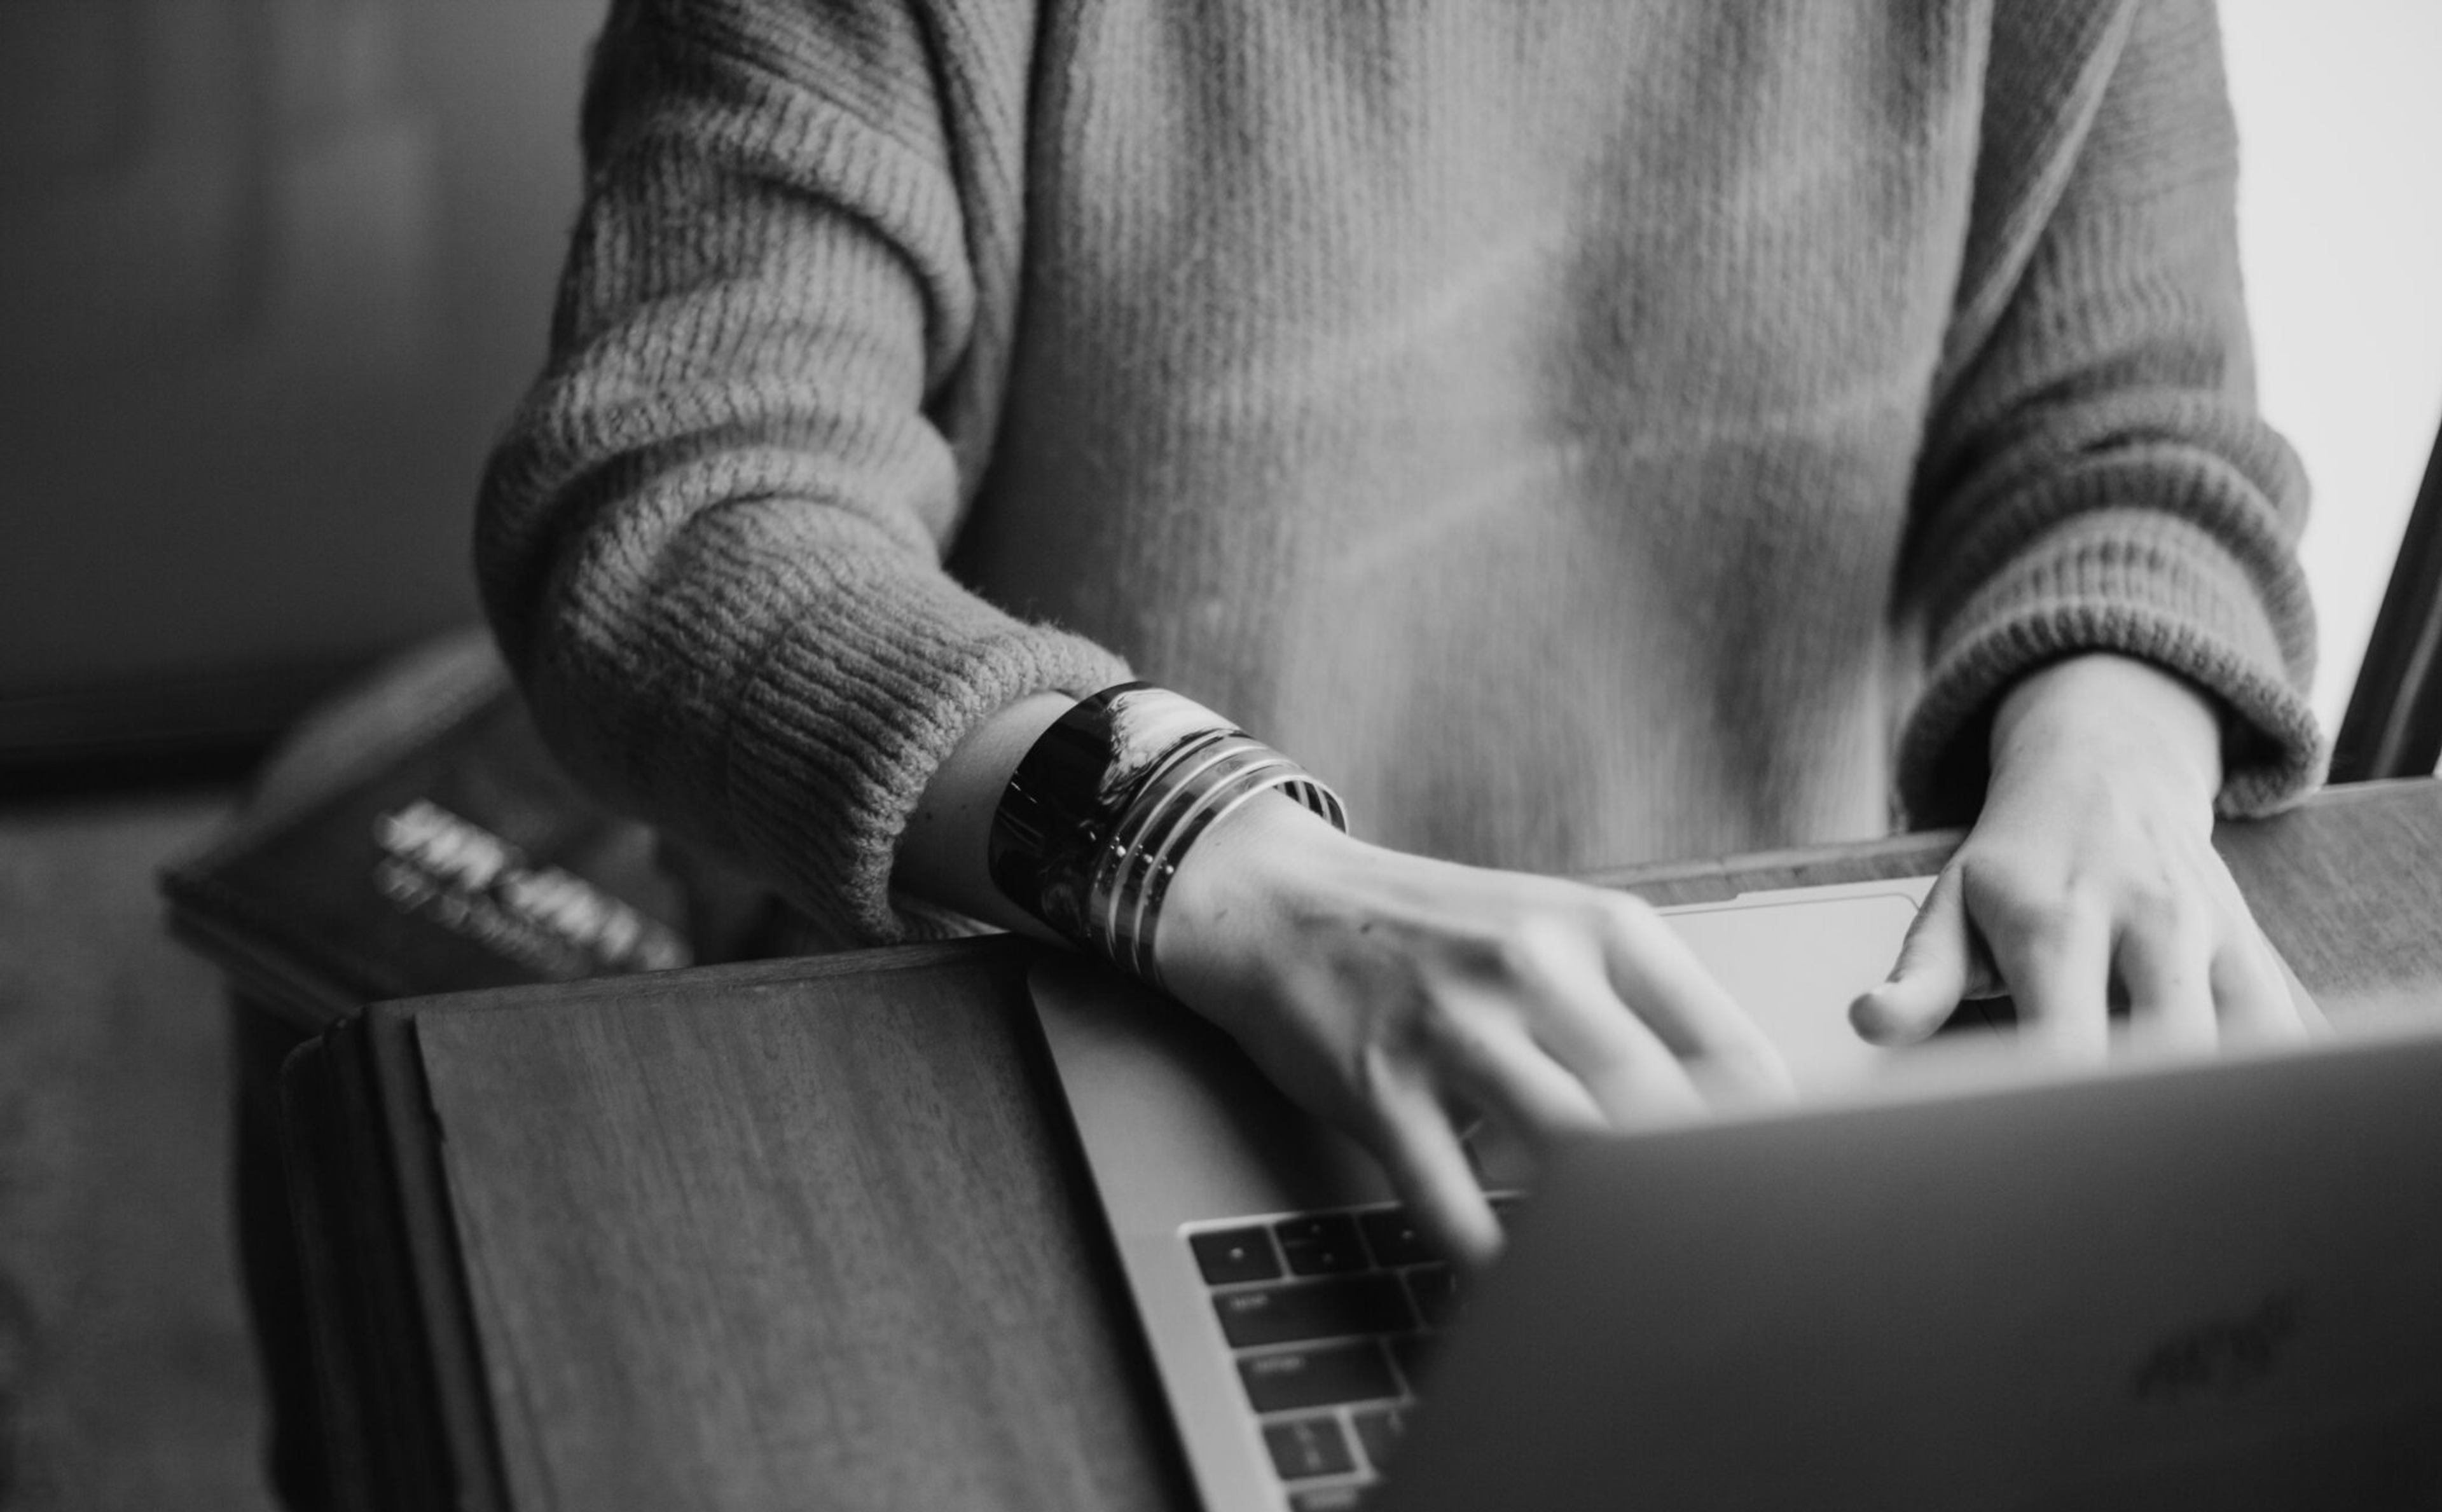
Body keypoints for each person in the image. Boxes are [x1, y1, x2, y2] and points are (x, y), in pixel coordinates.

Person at [478, 0, 2324, 1265]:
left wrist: (2119, 741)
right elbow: (679, 507)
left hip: (1770, 1050)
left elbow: (2131, 438)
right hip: (1049, 1009)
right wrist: (1202, 851)